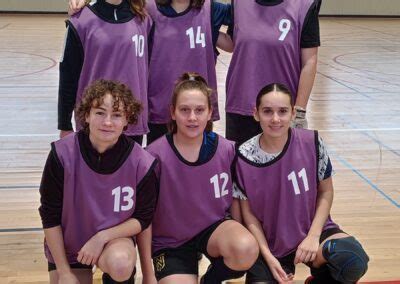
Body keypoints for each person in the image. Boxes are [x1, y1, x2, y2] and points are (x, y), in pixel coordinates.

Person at [234, 83, 369, 283]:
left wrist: (313, 237)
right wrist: (268, 257)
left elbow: (326, 192)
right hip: (271, 243)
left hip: (314, 231)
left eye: (282, 111)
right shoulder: (243, 156)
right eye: (267, 111)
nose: (275, 119)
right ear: (256, 114)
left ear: (292, 113)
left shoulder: (311, 142)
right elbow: (249, 216)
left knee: (352, 259)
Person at [39, 80, 159, 283]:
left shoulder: (142, 162)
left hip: (114, 242)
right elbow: (49, 215)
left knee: (121, 264)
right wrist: (64, 272)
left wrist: (101, 237)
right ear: (86, 115)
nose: (108, 122)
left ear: (127, 120)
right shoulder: (62, 154)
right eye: (100, 112)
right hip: (70, 247)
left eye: (117, 115)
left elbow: (143, 218)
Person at [68, 0, 233, 145]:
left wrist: (214, 32)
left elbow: (244, 16)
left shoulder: (211, 9)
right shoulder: (146, 9)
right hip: (159, 110)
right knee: (159, 167)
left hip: (195, 111)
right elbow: (113, 8)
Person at [145, 72, 258, 284]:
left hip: (212, 230)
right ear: (172, 112)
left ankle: (210, 281)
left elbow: (236, 198)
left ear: (210, 113)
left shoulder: (227, 149)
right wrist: (148, 273)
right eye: (184, 110)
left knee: (245, 248)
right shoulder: (153, 155)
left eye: (199, 110)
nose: (192, 117)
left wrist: (238, 231)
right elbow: (144, 217)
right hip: (171, 242)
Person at [225, 0, 322, 144]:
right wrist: (206, 31)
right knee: (240, 165)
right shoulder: (239, 3)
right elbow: (233, 42)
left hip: (280, 111)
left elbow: (309, 61)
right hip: (241, 105)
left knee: (280, 165)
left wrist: (299, 112)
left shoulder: (304, 5)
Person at [58, 0, 152, 144]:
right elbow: (68, 77)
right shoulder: (81, 20)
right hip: (95, 123)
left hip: (131, 120)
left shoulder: (143, 17)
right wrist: (65, 124)